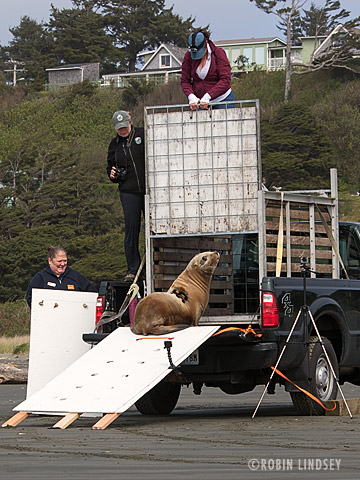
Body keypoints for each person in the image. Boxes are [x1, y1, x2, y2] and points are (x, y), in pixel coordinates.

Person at [107, 110, 145, 282]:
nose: (122, 130)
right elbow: (109, 167)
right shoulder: (114, 145)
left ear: (130, 122)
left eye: (124, 127)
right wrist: (112, 174)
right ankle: (133, 268)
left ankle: (152, 261)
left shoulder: (143, 134)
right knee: (131, 230)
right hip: (128, 191)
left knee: (154, 227)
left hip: (148, 188)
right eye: (119, 128)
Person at [181, 29, 235, 111]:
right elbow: (185, 81)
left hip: (222, 100)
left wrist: (209, 96)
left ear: (206, 43)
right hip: (200, 102)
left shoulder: (218, 53)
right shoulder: (188, 56)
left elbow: (225, 80)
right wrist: (191, 96)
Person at [26, 246, 96, 307]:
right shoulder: (40, 277)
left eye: (65, 261)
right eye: (59, 261)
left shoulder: (76, 276)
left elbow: (92, 295)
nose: (62, 264)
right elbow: (30, 298)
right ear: (50, 261)